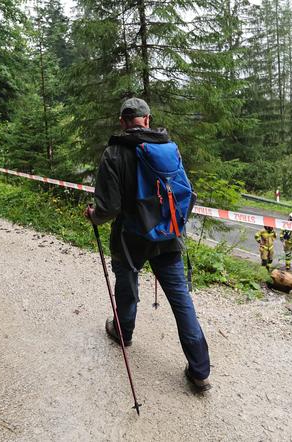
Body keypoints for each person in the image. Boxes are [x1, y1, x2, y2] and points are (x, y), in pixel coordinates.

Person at [84, 97, 211, 391]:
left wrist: (94, 216)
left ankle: (123, 332)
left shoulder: (114, 153)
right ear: (147, 120)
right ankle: (200, 370)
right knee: (181, 300)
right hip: (168, 236)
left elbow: (109, 208)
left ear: (122, 122)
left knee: (127, 285)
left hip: (131, 238)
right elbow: (185, 193)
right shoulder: (168, 149)